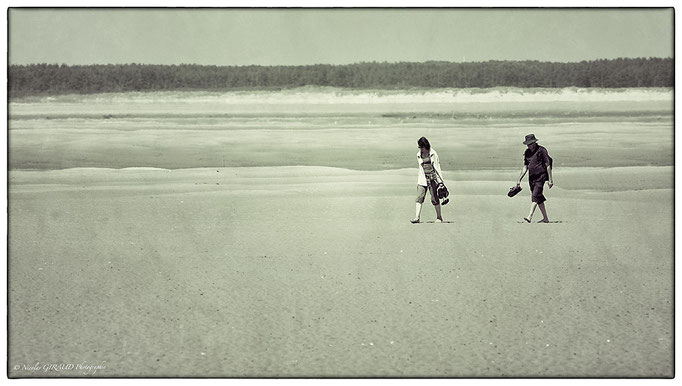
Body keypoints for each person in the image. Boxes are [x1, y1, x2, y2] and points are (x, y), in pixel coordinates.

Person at [515, 134, 553, 223]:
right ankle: (546, 218)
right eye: (528, 144)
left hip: (541, 177)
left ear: (535, 142)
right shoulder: (527, 152)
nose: (529, 146)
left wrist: (550, 180)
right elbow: (525, 167)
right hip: (531, 178)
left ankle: (529, 216)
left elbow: (548, 165)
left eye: (531, 144)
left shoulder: (542, 150)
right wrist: (519, 179)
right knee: (538, 198)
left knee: (535, 196)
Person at [411, 137, 444, 224]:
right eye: (420, 147)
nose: (421, 149)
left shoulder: (433, 153)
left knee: (434, 198)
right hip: (422, 178)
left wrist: (440, 182)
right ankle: (417, 217)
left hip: (433, 178)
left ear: (425, 146)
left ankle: (439, 217)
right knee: (419, 197)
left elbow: (437, 167)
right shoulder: (418, 155)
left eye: (422, 147)